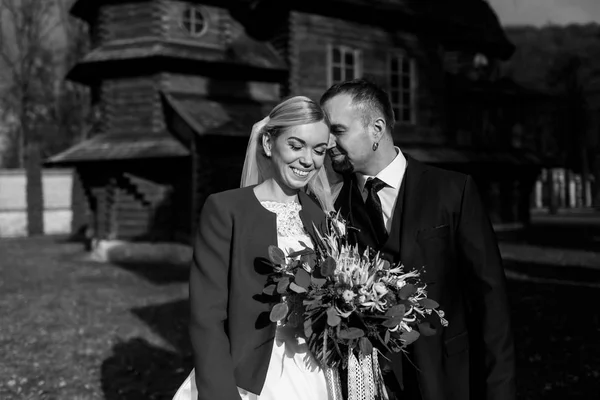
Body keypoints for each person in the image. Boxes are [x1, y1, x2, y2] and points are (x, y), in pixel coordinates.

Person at [320, 78, 516, 400]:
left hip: (449, 380)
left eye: (337, 131)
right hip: (369, 386)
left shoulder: (454, 191)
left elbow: (490, 302)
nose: (327, 143)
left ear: (377, 128)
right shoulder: (333, 209)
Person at [172, 96, 340, 400]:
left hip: (313, 372)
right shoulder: (226, 209)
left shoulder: (321, 218)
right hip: (245, 375)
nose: (308, 160)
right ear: (267, 143)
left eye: (319, 150)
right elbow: (207, 316)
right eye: (296, 145)